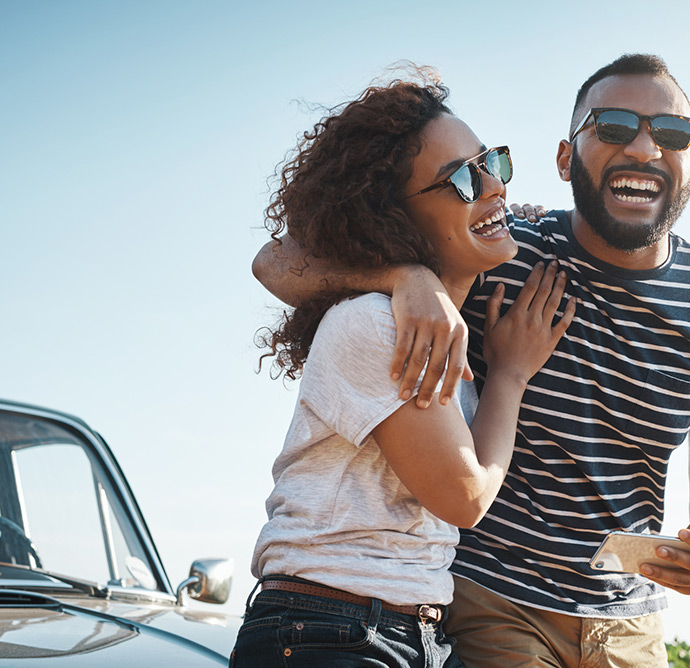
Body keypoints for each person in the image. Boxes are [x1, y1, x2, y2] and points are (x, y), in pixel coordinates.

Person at [253, 54, 690, 668]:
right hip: (487, 602)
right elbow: (279, 261)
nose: (643, 148)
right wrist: (406, 276)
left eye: (672, 133)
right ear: (564, 157)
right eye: (612, 127)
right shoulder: (498, 249)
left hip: (631, 621)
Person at [230, 68, 575, 668]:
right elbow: (464, 497)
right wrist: (513, 375)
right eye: (462, 179)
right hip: (331, 630)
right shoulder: (377, 324)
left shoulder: (424, 319)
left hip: (380, 630)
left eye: (491, 162)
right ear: (396, 217)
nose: (492, 187)